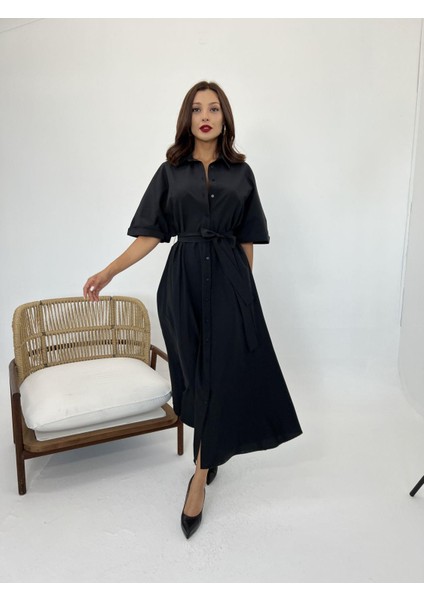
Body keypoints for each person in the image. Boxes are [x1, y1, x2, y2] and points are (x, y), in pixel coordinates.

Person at [83, 81, 302, 539]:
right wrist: (109, 272)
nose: (206, 116)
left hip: (229, 283)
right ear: (188, 118)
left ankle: (199, 476)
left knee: (221, 373)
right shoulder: (170, 172)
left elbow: (247, 239)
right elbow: (150, 235)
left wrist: (243, 293)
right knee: (194, 375)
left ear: (225, 118)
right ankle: (211, 446)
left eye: (214, 108)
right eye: (198, 108)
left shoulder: (242, 173)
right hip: (181, 284)